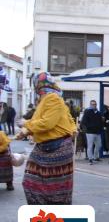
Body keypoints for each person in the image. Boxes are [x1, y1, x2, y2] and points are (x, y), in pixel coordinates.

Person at [15, 72, 76, 204]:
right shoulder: (47, 99)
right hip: (47, 145)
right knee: (38, 183)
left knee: (50, 186)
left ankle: (51, 217)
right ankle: (46, 215)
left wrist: (25, 124)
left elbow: (47, 123)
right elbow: (45, 121)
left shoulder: (52, 98)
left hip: (56, 146)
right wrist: (26, 131)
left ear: (38, 84)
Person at [80, 100, 104, 165]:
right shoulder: (87, 112)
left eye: (95, 104)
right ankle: (90, 159)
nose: (94, 105)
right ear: (90, 105)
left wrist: (101, 128)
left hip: (97, 132)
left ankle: (96, 157)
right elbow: (84, 121)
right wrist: (88, 127)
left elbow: (101, 122)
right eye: (93, 104)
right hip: (90, 132)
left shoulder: (98, 113)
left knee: (99, 145)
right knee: (90, 146)